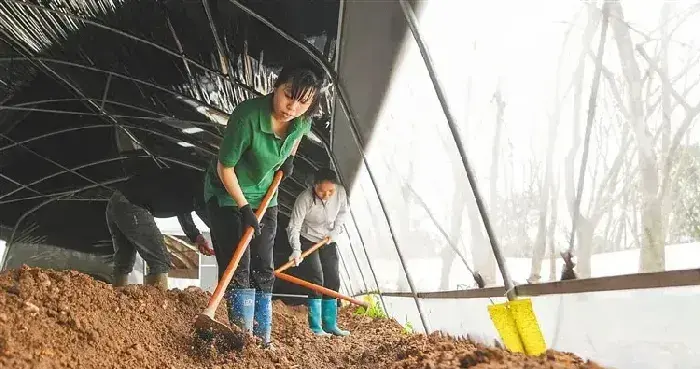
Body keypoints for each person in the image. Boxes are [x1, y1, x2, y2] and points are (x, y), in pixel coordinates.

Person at [203, 60, 324, 348]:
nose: (292, 107)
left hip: (266, 196)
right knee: (239, 266)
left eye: (302, 102)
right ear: (276, 87)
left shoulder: (301, 121)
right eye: (288, 95)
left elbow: (296, 137)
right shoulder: (247, 117)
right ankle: (241, 340)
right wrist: (243, 208)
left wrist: (290, 158)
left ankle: (262, 338)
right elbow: (225, 168)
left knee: (264, 267)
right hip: (228, 196)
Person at [106, 167, 214, 290]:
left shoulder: (189, 181)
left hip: (116, 201)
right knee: (159, 260)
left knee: (124, 260)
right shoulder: (203, 185)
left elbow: (183, 209)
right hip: (132, 204)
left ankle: (117, 298)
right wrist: (225, 236)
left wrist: (196, 236)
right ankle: (157, 305)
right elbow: (208, 214)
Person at [286, 168, 350, 337]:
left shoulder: (341, 193)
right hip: (309, 239)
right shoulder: (304, 199)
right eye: (322, 191)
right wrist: (296, 249)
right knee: (316, 278)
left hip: (329, 239)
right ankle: (316, 327)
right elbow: (294, 226)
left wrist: (335, 231)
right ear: (314, 186)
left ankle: (330, 325)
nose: (326, 195)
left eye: (331, 191)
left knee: (333, 278)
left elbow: (343, 213)